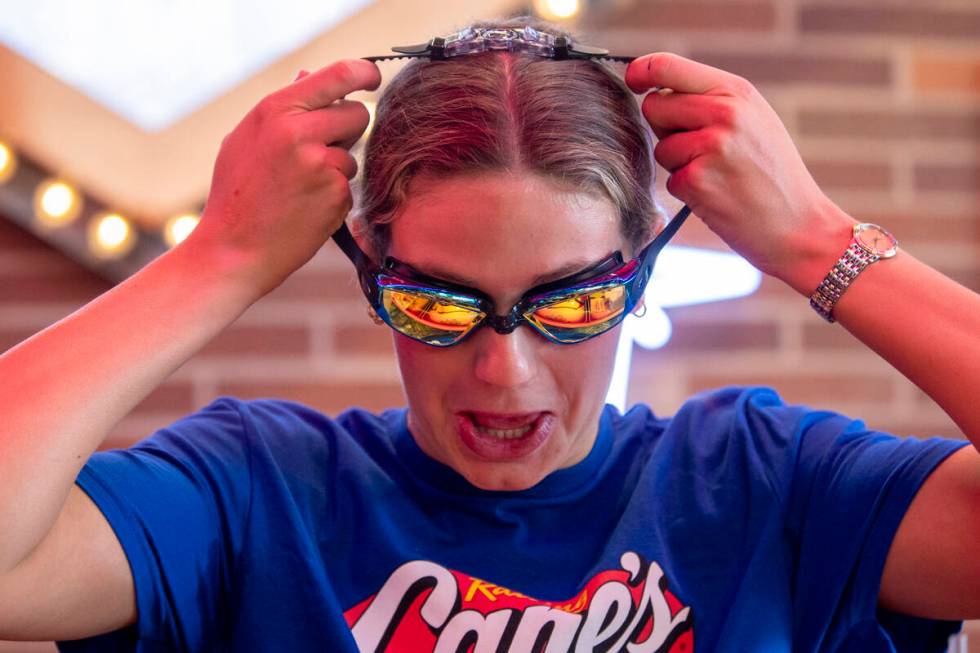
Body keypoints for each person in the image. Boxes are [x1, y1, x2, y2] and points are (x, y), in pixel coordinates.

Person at [0, 15, 978, 653]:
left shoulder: (765, 484)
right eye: (438, 304)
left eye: (568, 303)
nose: (503, 370)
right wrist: (216, 258)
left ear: (636, 280)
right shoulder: (254, 492)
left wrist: (816, 242)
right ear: (372, 276)